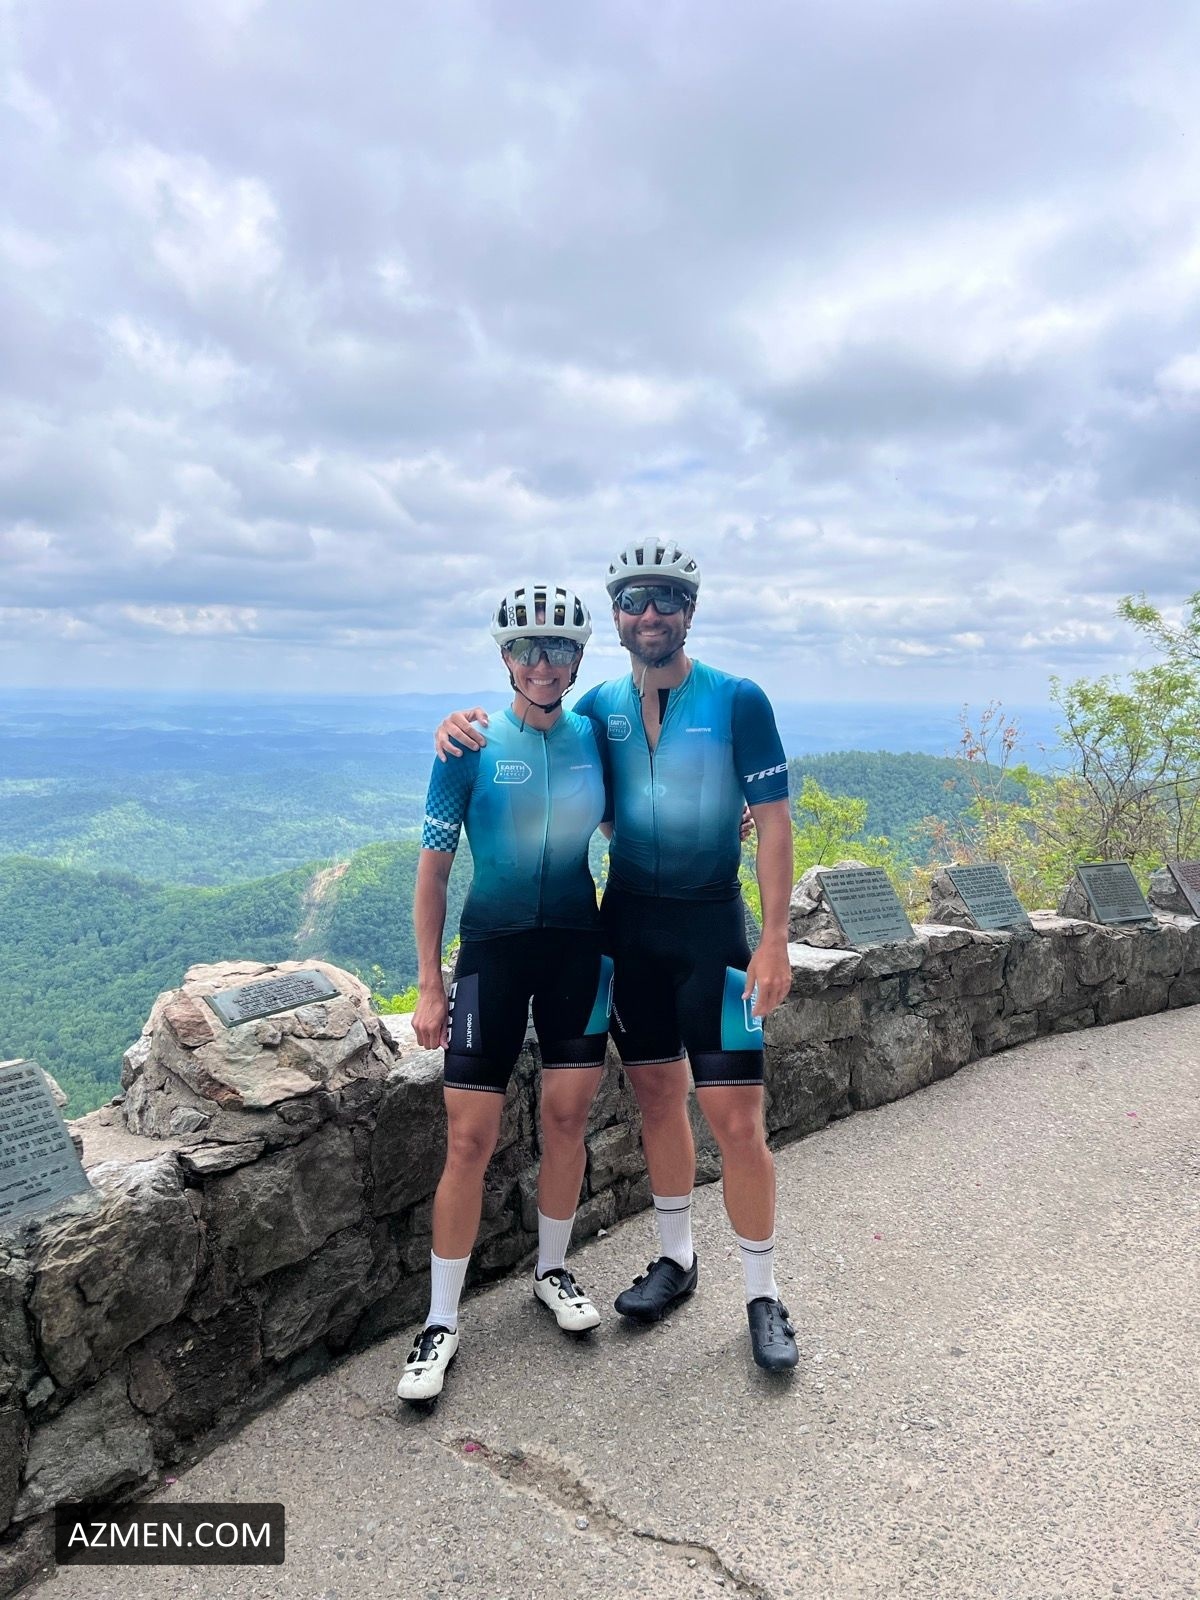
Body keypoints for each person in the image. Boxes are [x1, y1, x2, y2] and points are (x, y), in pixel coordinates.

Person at [435, 540, 799, 1371]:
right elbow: (566, 774)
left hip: (714, 932)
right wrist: (456, 727)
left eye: (666, 598)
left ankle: (763, 1294)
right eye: (634, 600)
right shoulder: (599, 707)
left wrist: (776, 938)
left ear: (689, 610)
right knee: (657, 1098)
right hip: (628, 929)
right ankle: (676, 1258)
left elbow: (775, 822)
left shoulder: (739, 700)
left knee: (739, 1121)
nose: (650, 613)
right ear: (618, 617)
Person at [397, 582, 613, 1404]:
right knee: (469, 1139)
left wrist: (727, 819)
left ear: (577, 659)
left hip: (578, 950)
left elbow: (637, 813)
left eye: (558, 648)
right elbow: (433, 872)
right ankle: (440, 1320)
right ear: (505, 657)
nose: (542, 663)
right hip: (491, 952)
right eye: (526, 648)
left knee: (567, 1120)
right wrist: (430, 983)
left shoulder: (599, 738)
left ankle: (553, 1271)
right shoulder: (468, 746)